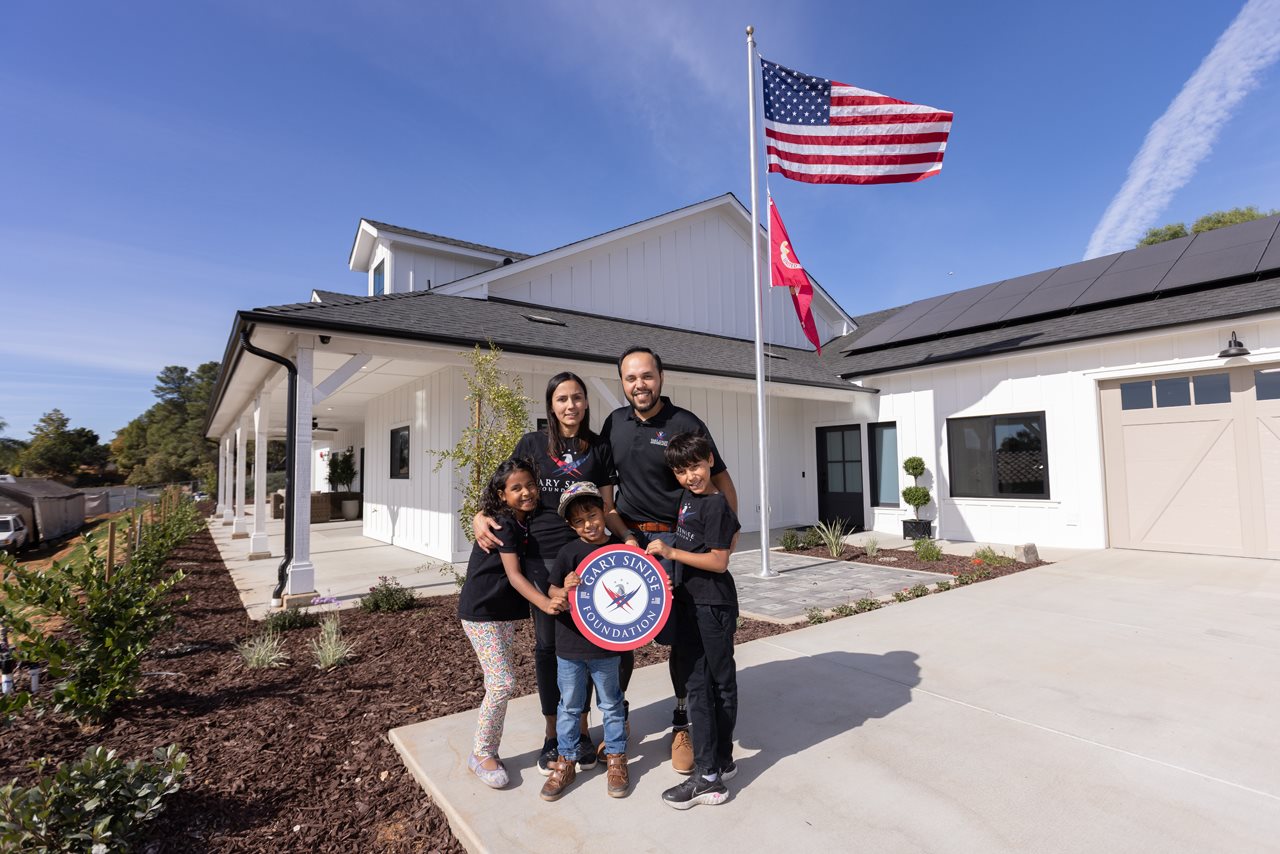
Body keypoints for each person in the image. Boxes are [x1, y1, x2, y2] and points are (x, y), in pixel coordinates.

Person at [472, 372, 630, 774]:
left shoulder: (600, 448)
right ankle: (553, 735)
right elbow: (503, 487)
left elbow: (608, 508)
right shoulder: (531, 444)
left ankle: (582, 730)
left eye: (577, 397)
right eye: (562, 399)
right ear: (551, 404)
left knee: (601, 643)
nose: (570, 405)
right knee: (550, 648)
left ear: (586, 403)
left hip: (590, 560)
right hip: (542, 561)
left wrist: (628, 540)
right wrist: (479, 515)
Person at [600, 347, 737, 774]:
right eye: (630, 378)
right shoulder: (613, 424)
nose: (639, 384)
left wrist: (726, 533)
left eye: (646, 376)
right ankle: (616, 721)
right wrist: (625, 537)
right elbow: (605, 493)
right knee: (617, 634)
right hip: (627, 542)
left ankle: (682, 721)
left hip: (681, 542)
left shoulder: (685, 423)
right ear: (622, 382)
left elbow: (720, 481)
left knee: (683, 639)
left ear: (661, 377)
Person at [457, 458, 567, 789]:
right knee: (503, 682)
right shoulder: (503, 525)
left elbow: (532, 571)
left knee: (502, 680)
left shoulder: (524, 523)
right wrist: (547, 604)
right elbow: (516, 576)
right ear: (502, 495)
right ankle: (481, 753)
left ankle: (486, 749)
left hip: (502, 613)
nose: (526, 492)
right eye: (516, 488)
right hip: (482, 611)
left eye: (530, 485)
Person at [646, 432, 741, 809]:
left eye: (697, 466)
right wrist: (674, 570)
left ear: (710, 463)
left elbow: (719, 560)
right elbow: (695, 547)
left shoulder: (715, 505)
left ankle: (709, 779)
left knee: (711, 686)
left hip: (712, 607)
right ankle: (720, 760)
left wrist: (672, 552)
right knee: (702, 684)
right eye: (683, 470)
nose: (691, 475)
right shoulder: (689, 499)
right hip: (691, 601)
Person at [540, 481, 629, 801]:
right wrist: (564, 588)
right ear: (570, 525)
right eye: (578, 521)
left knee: (611, 704)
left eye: (591, 515)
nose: (588, 524)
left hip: (606, 646)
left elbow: (638, 585)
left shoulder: (619, 548)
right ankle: (566, 760)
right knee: (570, 707)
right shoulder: (568, 552)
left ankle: (617, 757)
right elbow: (552, 593)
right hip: (570, 646)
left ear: (603, 511)